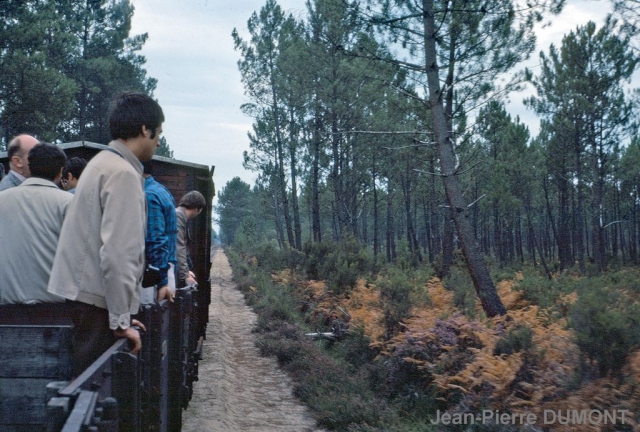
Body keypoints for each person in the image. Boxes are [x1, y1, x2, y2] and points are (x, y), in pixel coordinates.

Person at [48, 91, 164, 375]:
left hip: (85, 298)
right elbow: (118, 254)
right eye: (158, 132)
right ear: (144, 130)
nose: (159, 140)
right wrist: (121, 322)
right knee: (94, 390)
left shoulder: (101, 163)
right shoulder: (122, 173)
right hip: (95, 302)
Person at [0, 143, 72, 307]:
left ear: (29, 169)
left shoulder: (1, 199)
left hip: (5, 310)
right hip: (58, 310)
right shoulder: (70, 203)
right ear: (61, 171)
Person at [143, 160, 177, 303]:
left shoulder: (149, 195)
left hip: (155, 277)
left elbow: (156, 240)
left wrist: (162, 282)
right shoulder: (161, 190)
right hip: (165, 269)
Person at [176, 190, 206, 288]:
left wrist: (186, 271)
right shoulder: (178, 216)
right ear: (197, 208)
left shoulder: (180, 216)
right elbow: (179, 247)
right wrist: (185, 275)